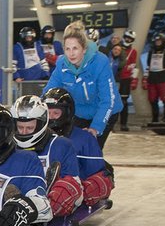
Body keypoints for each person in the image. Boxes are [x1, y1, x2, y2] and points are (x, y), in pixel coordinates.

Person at [43, 21, 122, 149]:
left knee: (91, 148)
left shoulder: (100, 62)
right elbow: (49, 90)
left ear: (84, 49)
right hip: (79, 113)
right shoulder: (61, 63)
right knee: (71, 147)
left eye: (75, 48)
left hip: (104, 111)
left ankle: (101, 168)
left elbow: (107, 100)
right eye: (67, 49)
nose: (71, 53)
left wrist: (95, 128)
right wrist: (37, 105)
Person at [9, 95, 83, 217]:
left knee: (65, 188)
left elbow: (74, 183)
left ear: (41, 124)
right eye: (20, 127)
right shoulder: (8, 145)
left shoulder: (61, 144)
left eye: (29, 128)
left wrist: (59, 192)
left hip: (53, 198)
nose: (24, 132)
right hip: (22, 193)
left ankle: (40, 207)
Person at [43, 88, 114, 207]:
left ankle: (59, 199)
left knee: (100, 180)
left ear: (66, 113)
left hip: (74, 186)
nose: (51, 118)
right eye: (48, 113)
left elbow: (95, 170)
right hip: (40, 184)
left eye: (56, 113)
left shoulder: (84, 138)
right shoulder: (36, 138)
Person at [143, 33, 165, 123]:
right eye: (156, 41)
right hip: (152, 79)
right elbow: (148, 66)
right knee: (152, 100)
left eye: (159, 41)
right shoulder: (151, 52)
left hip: (163, 78)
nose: (158, 43)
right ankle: (155, 118)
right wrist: (145, 78)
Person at [117, 30, 138, 131]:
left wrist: (134, 79)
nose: (128, 40)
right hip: (115, 77)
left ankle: (123, 123)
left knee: (123, 102)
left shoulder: (133, 51)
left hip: (125, 79)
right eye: (126, 37)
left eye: (130, 39)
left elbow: (134, 65)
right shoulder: (117, 48)